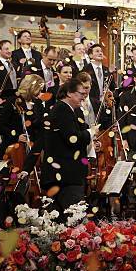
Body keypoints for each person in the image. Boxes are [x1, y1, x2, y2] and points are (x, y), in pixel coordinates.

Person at [41, 78, 99, 211]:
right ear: (69, 93)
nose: (84, 98)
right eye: (81, 94)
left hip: (66, 175)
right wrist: (90, 132)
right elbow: (73, 138)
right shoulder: (62, 109)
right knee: (73, 220)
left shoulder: (69, 110)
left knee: (63, 222)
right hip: (65, 176)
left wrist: (92, 139)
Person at [0, 74, 45, 164]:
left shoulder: (38, 103)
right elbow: (1, 126)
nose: (40, 93)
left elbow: (39, 125)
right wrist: (17, 136)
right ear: (30, 87)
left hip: (32, 146)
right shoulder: (12, 102)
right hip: (13, 147)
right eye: (39, 90)